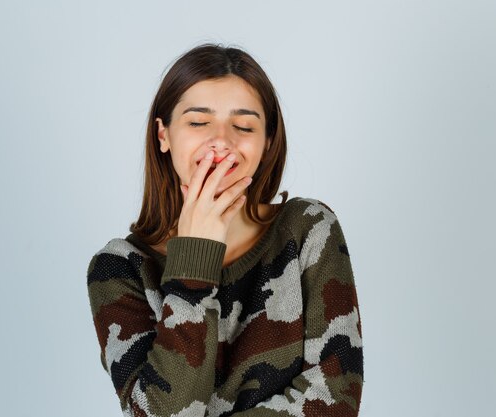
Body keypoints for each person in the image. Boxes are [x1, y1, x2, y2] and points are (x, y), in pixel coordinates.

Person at [86, 43, 364, 417]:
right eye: (198, 122)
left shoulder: (308, 230)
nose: (222, 141)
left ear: (267, 142)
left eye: (244, 126)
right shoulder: (118, 269)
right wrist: (194, 259)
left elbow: (335, 403)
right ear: (164, 135)